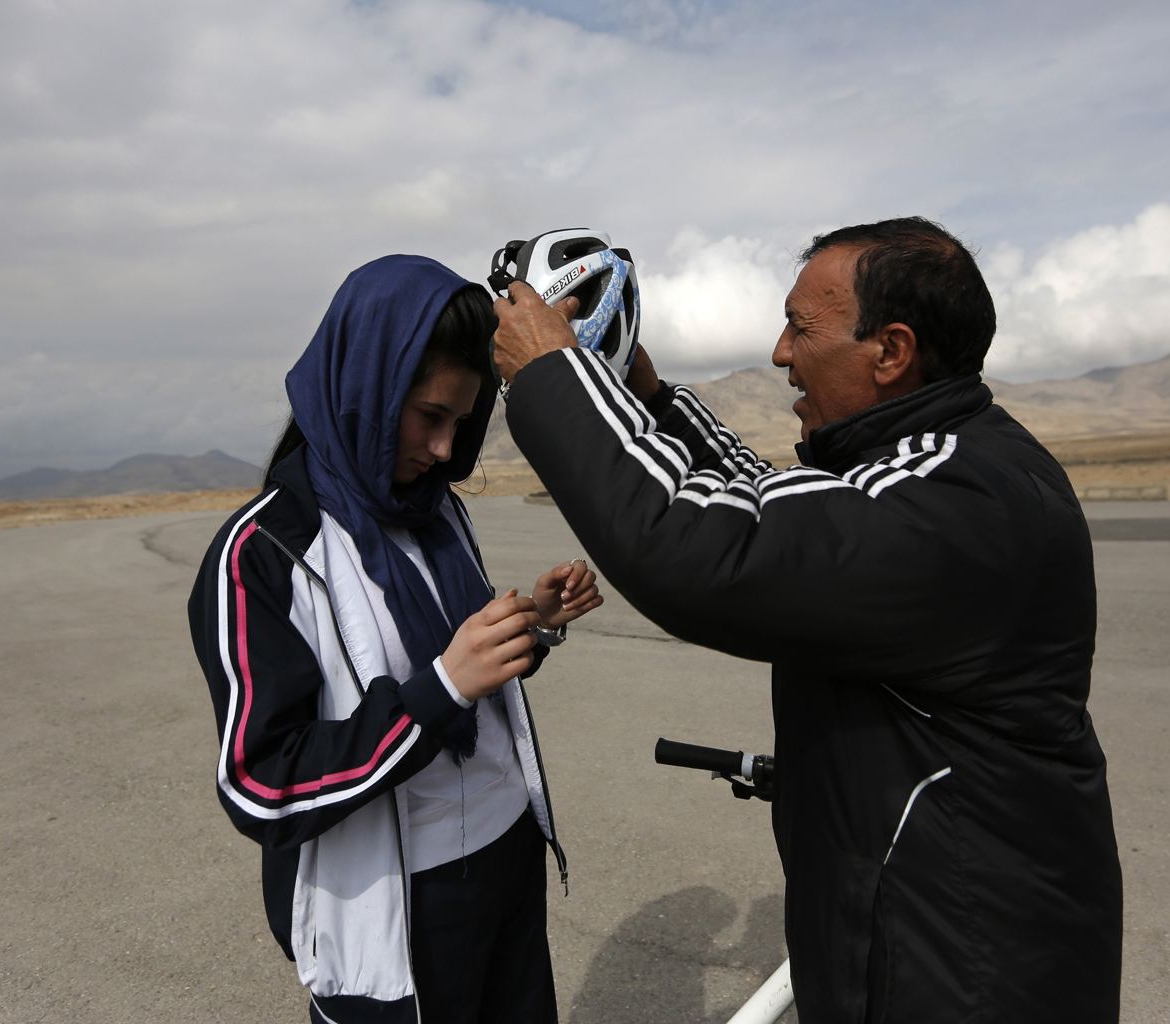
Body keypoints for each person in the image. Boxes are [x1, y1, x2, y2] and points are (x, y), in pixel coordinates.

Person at [489, 218, 1123, 1022]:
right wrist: (649, 402)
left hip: (965, 973)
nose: (781, 353)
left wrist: (552, 376)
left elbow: (710, 551)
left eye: (800, 326)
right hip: (924, 938)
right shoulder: (932, 464)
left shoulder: (959, 500)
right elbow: (775, 508)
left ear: (890, 351)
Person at [188, 255, 601, 1024]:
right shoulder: (263, 554)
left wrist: (532, 624)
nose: (445, 451)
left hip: (508, 859)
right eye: (429, 417)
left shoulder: (435, 512)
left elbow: (460, 669)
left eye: (461, 421)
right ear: (363, 391)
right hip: (400, 905)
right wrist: (437, 693)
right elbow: (260, 783)